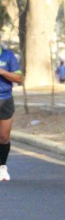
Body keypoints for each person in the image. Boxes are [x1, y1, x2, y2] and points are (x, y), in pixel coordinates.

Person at [0, 43, 23, 181]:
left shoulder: (8, 56)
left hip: (5, 99)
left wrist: (3, 72)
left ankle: (2, 167)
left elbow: (19, 78)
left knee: (4, 136)